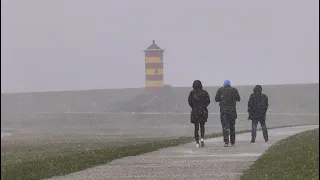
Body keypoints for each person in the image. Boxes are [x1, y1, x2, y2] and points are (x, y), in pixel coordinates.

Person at [215, 80, 241, 147]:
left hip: (224, 112)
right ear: (229, 84)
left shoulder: (220, 90)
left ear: (224, 84)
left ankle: (226, 141)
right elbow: (238, 99)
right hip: (232, 111)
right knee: (232, 126)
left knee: (225, 127)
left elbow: (216, 99)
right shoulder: (234, 90)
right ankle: (232, 141)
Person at [188, 80, 211, 148]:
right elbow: (208, 101)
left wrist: (194, 107)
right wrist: (203, 106)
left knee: (196, 127)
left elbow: (190, 102)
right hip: (203, 111)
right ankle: (202, 139)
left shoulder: (192, 93)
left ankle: (197, 141)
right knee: (202, 126)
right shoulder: (204, 92)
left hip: (195, 112)